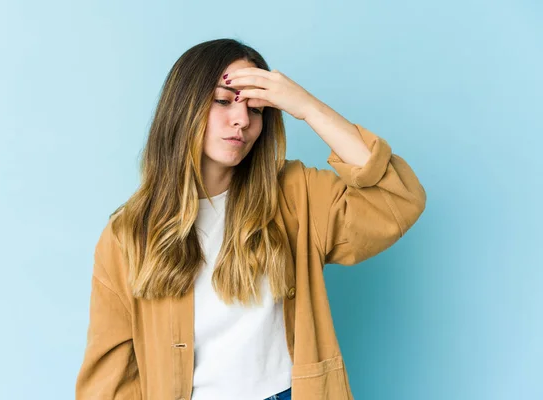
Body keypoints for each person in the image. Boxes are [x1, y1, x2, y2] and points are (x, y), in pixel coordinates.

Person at [75, 38, 427, 400]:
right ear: (183, 108)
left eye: (256, 109)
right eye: (224, 101)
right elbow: (109, 383)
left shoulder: (294, 195)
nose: (242, 119)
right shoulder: (128, 235)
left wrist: (308, 108)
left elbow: (397, 200)